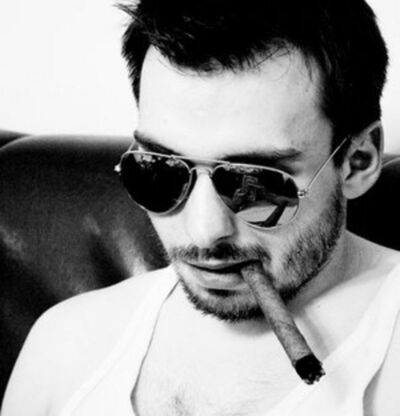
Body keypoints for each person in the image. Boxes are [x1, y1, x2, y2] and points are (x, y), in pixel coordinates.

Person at [2, 0, 400, 414]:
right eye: (161, 170)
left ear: (357, 162)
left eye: (256, 182)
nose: (204, 230)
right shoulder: (66, 345)